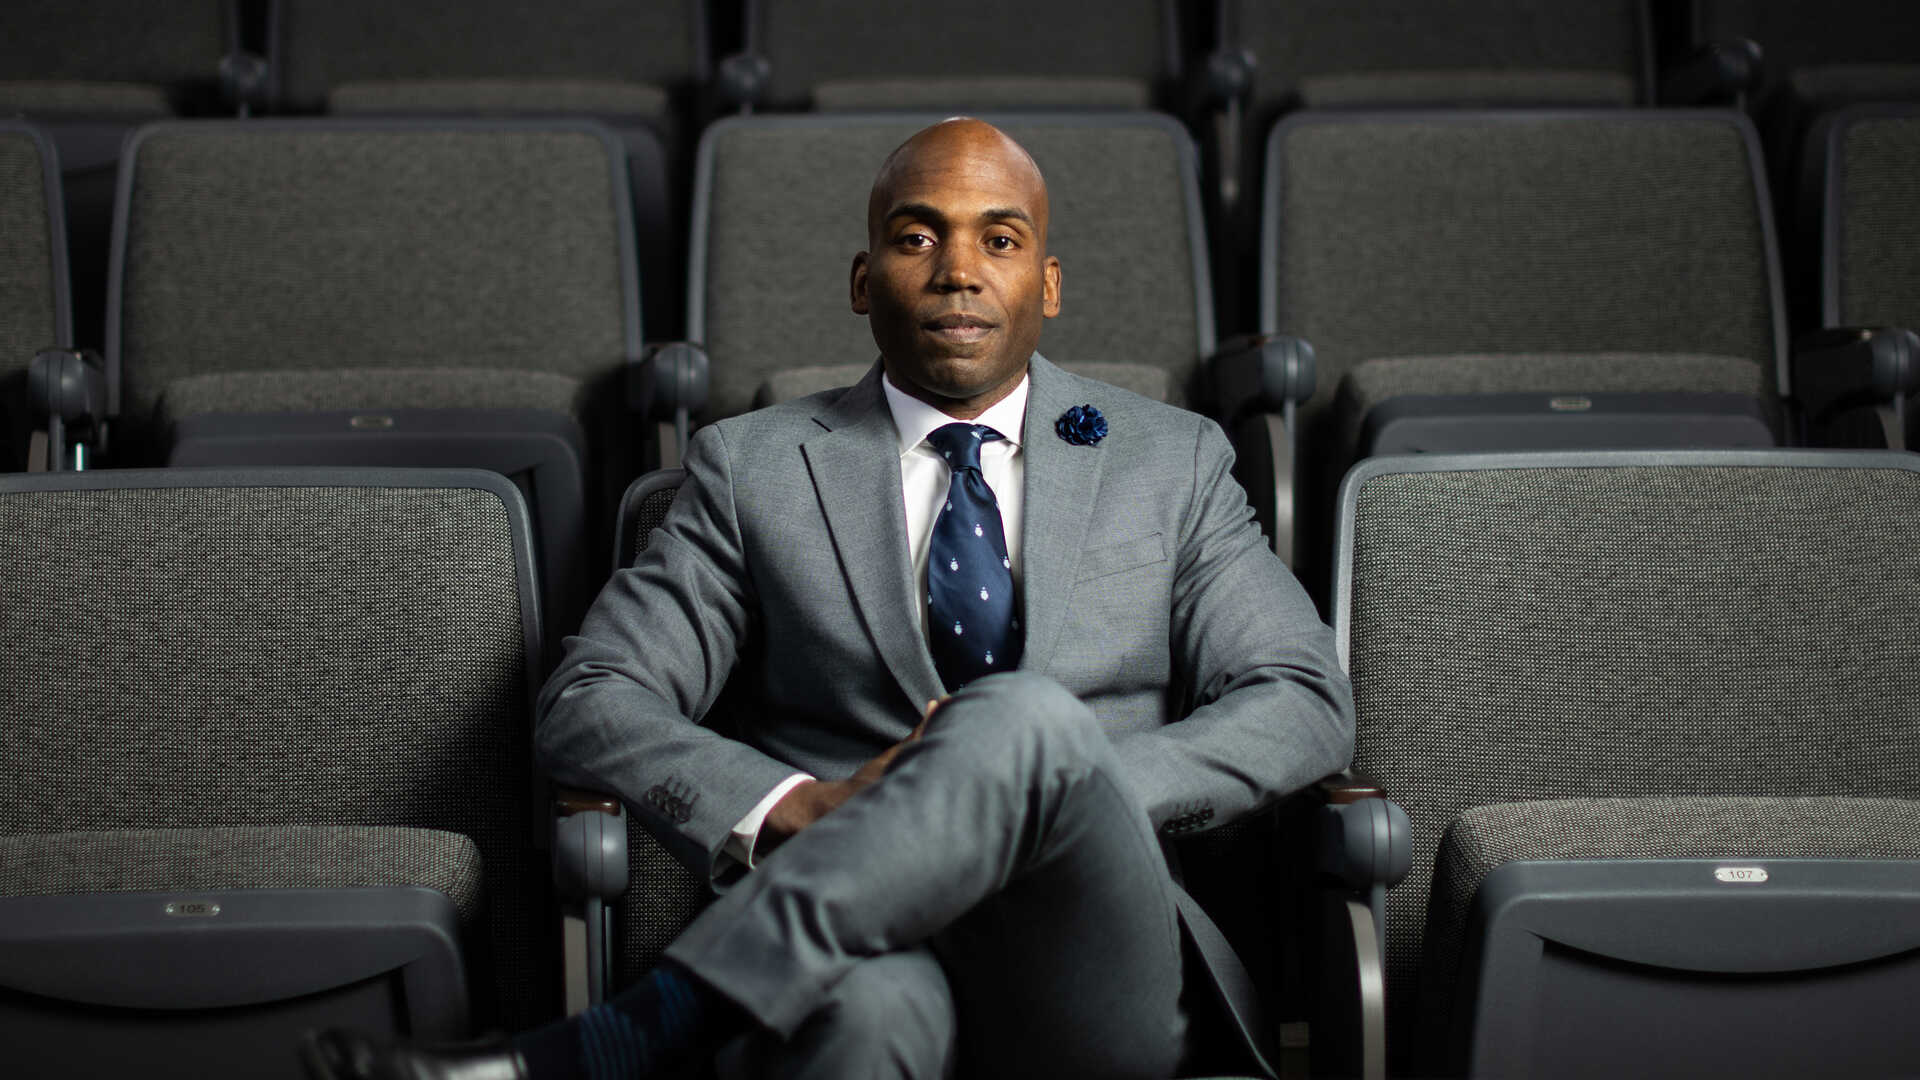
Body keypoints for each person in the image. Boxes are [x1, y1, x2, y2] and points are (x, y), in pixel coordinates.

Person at [306, 118, 1353, 1080]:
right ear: (863, 280)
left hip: (1091, 959)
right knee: (861, 1023)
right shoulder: (751, 469)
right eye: (916, 238)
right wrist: (798, 807)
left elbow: (1303, 697)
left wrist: (1055, 783)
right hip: (862, 956)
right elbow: (593, 699)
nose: (957, 272)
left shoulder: (1169, 459)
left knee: (1026, 721)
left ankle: (615, 1043)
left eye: (999, 240)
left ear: (1049, 283)